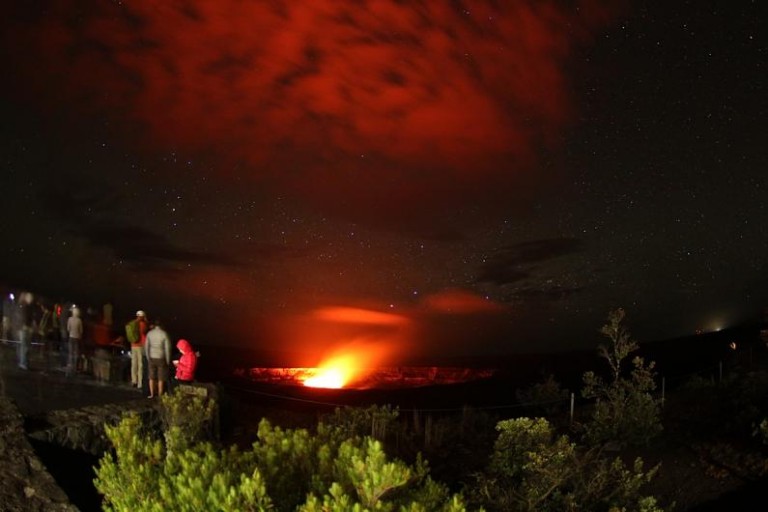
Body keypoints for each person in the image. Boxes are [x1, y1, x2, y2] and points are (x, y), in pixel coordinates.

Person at [145, 319, 171, 398]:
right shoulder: (164, 334)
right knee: (161, 378)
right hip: (161, 357)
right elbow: (167, 349)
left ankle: (152, 394)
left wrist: (148, 357)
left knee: (151, 377)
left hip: (151, 357)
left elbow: (146, 347)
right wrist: (168, 360)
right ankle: (160, 395)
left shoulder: (149, 334)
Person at [127, 310, 149, 389]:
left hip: (133, 345)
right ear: (143, 316)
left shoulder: (132, 323)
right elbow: (145, 331)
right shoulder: (143, 324)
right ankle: (140, 383)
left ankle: (134, 381)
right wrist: (146, 321)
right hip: (140, 345)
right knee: (140, 365)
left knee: (134, 364)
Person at [66, 306, 83, 377]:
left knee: (70, 352)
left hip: (71, 337)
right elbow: (81, 330)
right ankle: (75, 367)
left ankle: (70, 366)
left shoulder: (69, 319)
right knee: (76, 353)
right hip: (77, 338)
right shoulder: (79, 320)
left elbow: (68, 328)